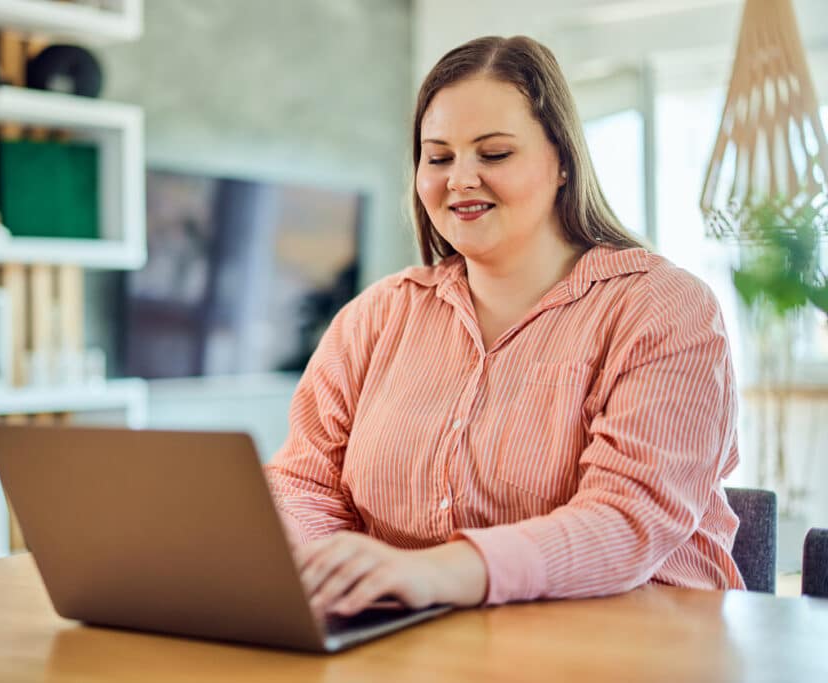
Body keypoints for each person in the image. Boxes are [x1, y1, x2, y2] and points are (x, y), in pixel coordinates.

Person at [263, 35, 745, 618]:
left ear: (563, 161)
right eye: (438, 157)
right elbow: (302, 484)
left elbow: (627, 520)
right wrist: (341, 574)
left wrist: (435, 572)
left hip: (638, 644)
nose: (460, 179)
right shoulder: (375, 317)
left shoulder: (663, 308)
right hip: (419, 643)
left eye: (493, 154)